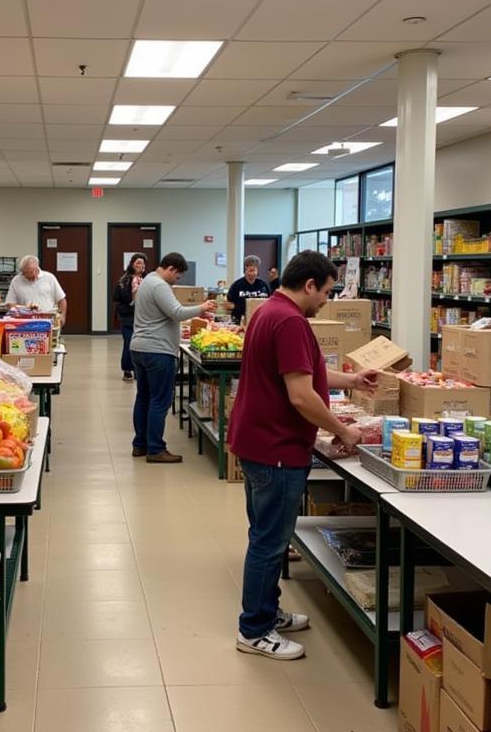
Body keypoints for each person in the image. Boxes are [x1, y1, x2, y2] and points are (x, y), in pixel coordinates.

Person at [227, 250, 378, 660]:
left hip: (259, 442)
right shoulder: (292, 321)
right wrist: (343, 429)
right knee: (269, 541)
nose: (328, 300)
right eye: (327, 292)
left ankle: (267, 612)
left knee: (266, 535)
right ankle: (254, 630)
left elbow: (303, 371)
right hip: (276, 449)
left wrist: (352, 378)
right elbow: (300, 394)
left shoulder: (269, 311)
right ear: (309, 285)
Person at [130, 252, 215, 463]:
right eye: (177, 276)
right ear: (171, 269)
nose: (177, 280)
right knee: (160, 400)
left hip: (140, 347)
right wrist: (202, 308)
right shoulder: (159, 285)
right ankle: (155, 448)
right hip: (157, 350)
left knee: (144, 397)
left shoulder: (147, 281)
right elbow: (176, 312)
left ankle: (140, 444)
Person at [112, 253, 147, 382]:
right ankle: (127, 369)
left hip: (142, 316)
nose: (140, 265)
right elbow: (117, 297)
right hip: (127, 315)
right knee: (129, 342)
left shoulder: (145, 279)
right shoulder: (125, 279)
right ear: (132, 264)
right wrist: (133, 290)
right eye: (138, 263)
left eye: (142, 263)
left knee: (140, 344)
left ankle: (138, 370)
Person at [5, 255, 67, 327]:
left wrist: (62, 316)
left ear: (37, 268)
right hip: (25, 324)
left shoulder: (50, 278)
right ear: (22, 272)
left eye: (32, 272)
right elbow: (10, 304)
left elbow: (61, 300)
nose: (31, 276)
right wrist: (25, 309)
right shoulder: (16, 281)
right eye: (26, 274)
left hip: (48, 322)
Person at [227, 254, 271, 324]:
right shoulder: (236, 285)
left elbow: (269, 302)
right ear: (245, 269)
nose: (253, 273)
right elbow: (229, 304)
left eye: (255, 271)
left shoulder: (263, 285)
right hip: (239, 320)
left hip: (259, 320)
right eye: (250, 270)